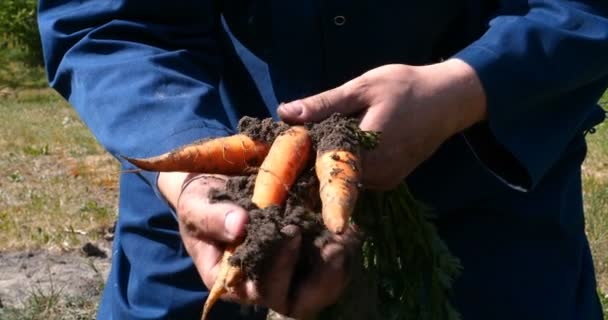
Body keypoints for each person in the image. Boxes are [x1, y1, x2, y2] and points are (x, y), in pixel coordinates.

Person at [37, 0, 608, 319]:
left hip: (480, 212)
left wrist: (467, 87)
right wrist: (188, 170)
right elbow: (105, 18)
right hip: (211, 208)